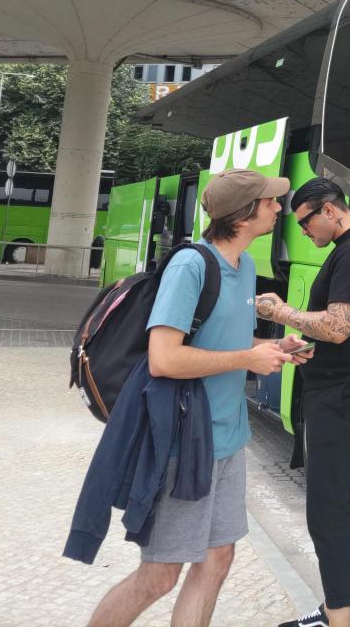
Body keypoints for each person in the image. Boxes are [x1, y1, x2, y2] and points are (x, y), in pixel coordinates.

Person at [83, 167, 312, 627]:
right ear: (243, 215)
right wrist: (247, 359)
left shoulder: (245, 267)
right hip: (183, 442)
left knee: (217, 559)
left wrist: (272, 349)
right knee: (160, 574)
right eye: (270, 201)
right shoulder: (191, 267)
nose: (278, 208)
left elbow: (227, 343)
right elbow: (163, 358)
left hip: (228, 440)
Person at [256, 178, 350, 627]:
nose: (303, 231)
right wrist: (304, 345)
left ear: (330, 210)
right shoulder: (348, 249)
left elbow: (338, 326)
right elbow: (338, 332)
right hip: (336, 390)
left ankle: (338, 620)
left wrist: (280, 312)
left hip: (345, 396)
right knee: (325, 505)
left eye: (305, 221)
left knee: (328, 507)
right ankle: (334, 611)